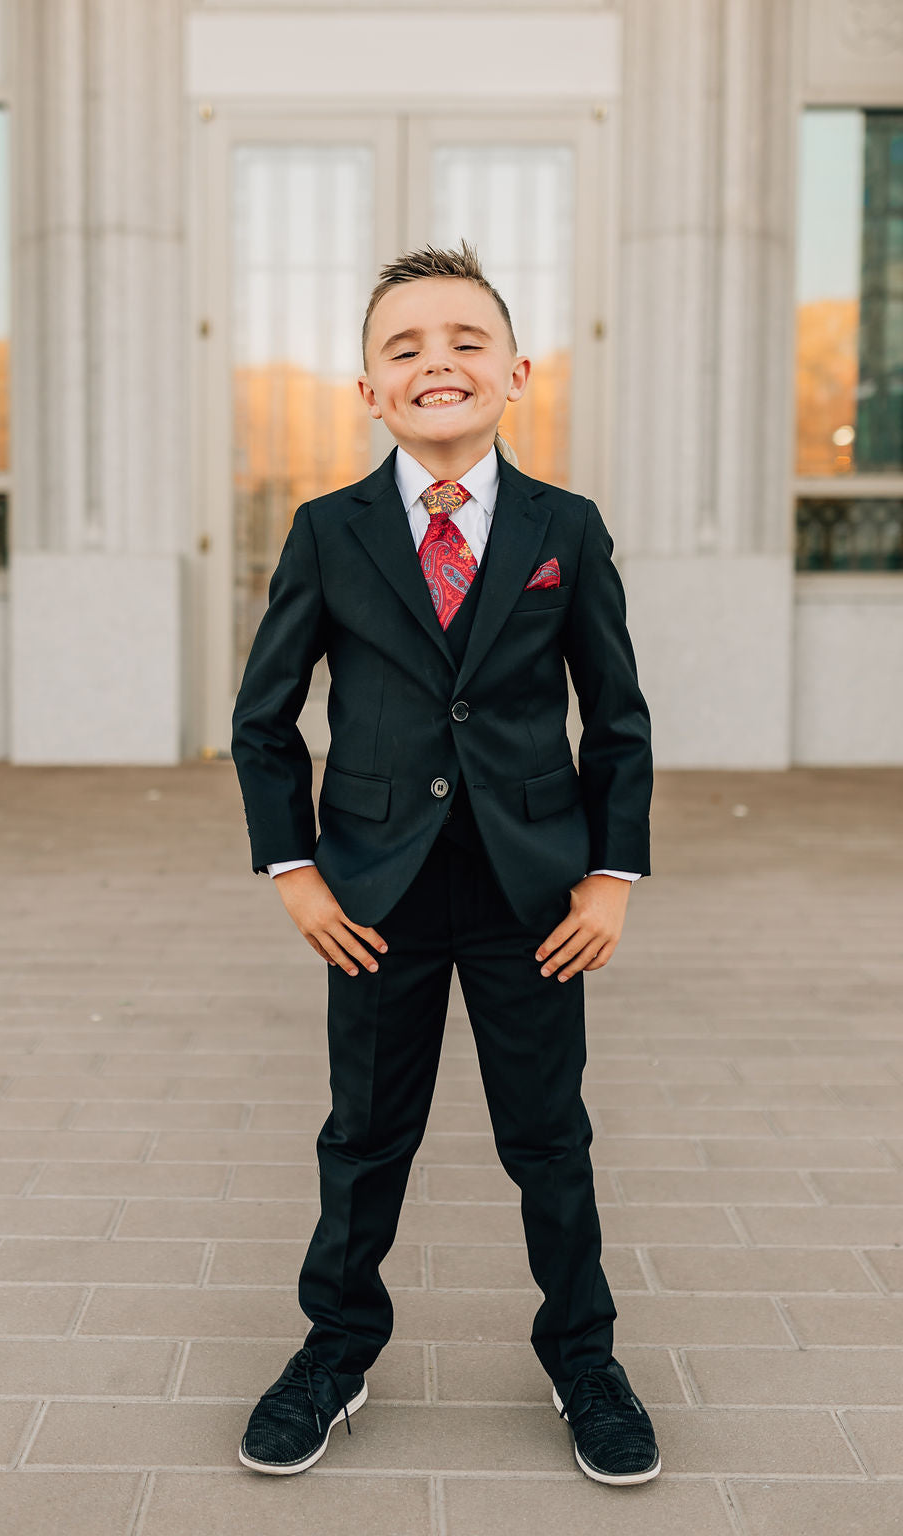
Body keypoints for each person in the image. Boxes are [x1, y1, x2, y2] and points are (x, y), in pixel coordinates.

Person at [230, 242, 659, 1486]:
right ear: (368, 392)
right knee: (364, 1135)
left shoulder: (562, 531)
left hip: (537, 895)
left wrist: (610, 876)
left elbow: (616, 720)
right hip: (373, 894)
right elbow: (266, 719)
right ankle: (335, 1348)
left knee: (549, 1137)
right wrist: (294, 872)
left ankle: (583, 1355)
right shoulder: (328, 532)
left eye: (465, 341)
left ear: (516, 372)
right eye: (404, 349)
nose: (438, 364)